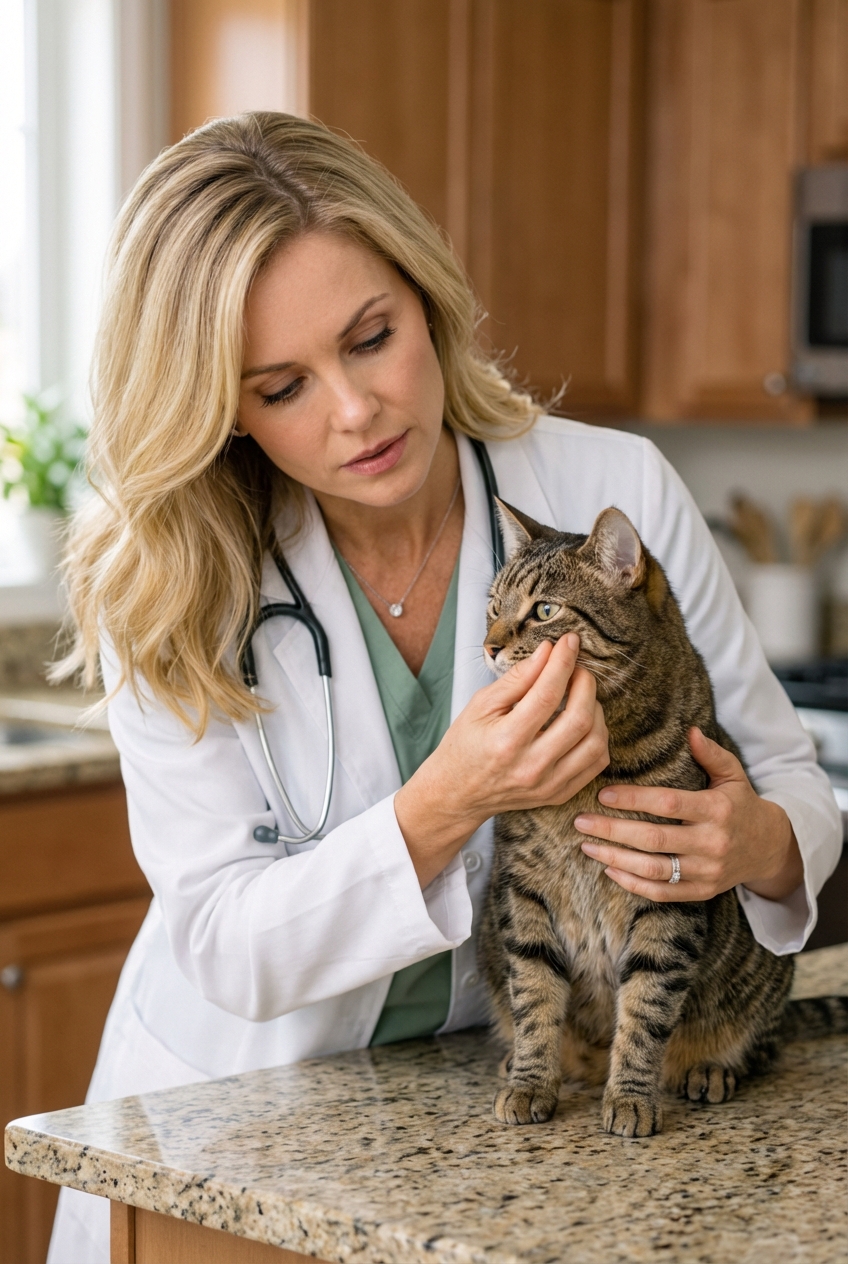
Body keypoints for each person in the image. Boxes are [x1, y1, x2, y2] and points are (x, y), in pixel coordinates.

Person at [47, 112, 840, 1262]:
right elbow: (218, 938)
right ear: (219, 406)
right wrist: (442, 804)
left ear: (424, 297)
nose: (355, 411)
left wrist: (756, 842)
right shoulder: (167, 578)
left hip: (493, 1109)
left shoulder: (604, 484)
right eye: (282, 388)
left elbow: (787, 785)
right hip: (235, 1121)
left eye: (370, 338)